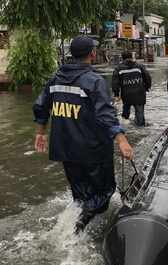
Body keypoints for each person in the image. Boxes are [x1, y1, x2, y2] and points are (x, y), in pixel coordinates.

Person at [33, 35, 134, 233]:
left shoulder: (55, 78)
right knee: (104, 194)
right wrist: (121, 139)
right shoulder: (94, 81)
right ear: (92, 54)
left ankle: (76, 225)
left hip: (64, 149)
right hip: (92, 151)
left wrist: (41, 133)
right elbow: (106, 114)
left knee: (80, 195)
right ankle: (79, 226)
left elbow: (41, 106)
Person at [112, 51, 152, 127]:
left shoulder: (118, 69)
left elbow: (115, 83)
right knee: (140, 113)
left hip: (126, 95)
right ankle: (141, 129)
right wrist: (147, 87)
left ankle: (125, 129)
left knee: (125, 114)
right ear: (131, 57)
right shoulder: (139, 66)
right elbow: (147, 77)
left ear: (122, 58)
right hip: (139, 94)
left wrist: (116, 94)